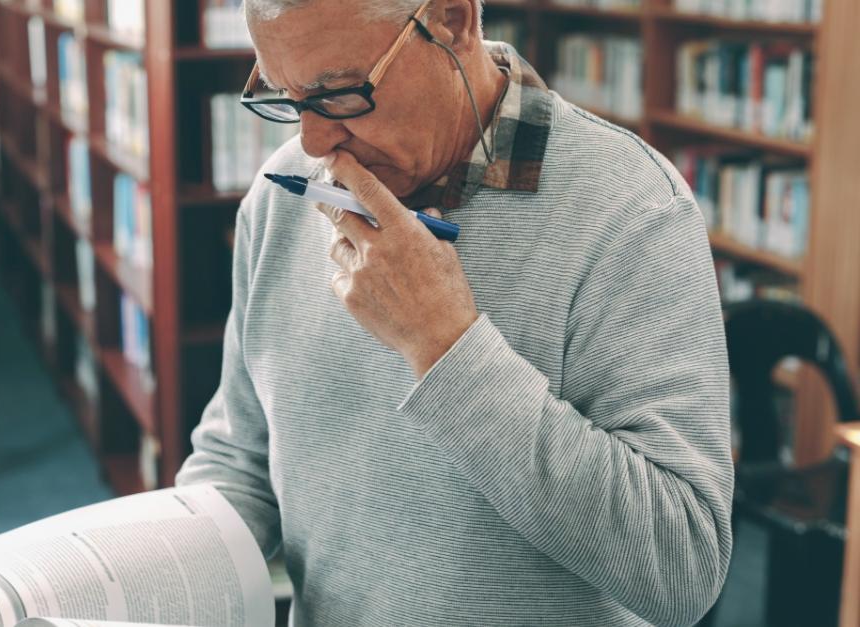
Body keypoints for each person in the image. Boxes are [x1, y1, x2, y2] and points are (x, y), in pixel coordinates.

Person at [177, 0, 734, 624]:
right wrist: (154, 572)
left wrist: (445, 343)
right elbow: (238, 458)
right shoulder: (282, 194)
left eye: (338, 94)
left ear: (451, 21)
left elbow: (682, 569)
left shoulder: (634, 210)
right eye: (285, 96)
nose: (311, 141)